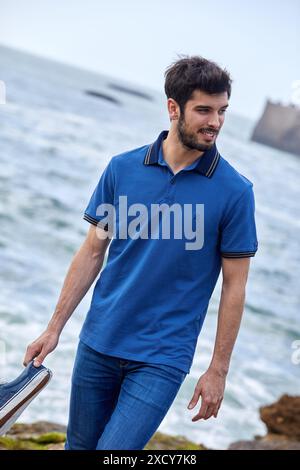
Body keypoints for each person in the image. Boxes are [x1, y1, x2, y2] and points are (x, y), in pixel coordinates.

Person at [23, 55, 258, 450]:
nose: (215, 122)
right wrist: (54, 327)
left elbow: (235, 287)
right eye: (203, 110)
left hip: (162, 357)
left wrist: (218, 370)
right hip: (99, 340)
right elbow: (93, 252)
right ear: (173, 108)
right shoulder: (122, 169)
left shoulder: (235, 192)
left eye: (222, 111)